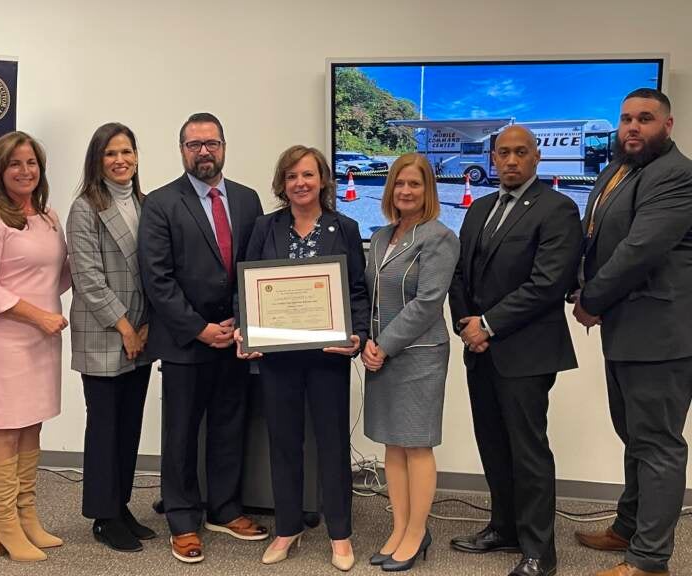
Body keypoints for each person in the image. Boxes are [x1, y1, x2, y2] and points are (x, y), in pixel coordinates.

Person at [448, 126, 582, 576]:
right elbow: (459, 275)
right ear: (492, 157)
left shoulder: (558, 208)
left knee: (528, 452)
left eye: (520, 152)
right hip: (479, 350)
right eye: (503, 152)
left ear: (537, 157)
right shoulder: (480, 208)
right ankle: (503, 527)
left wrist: (487, 325)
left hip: (526, 352)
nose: (510, 161)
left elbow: (548, 284)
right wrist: (467, 325)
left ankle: (539, 552)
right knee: (492, 444)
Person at [571, 88, 692, 576]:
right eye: (625, 119)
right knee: (635, 437)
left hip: (660, 334)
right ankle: (628, 527)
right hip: (626, 329)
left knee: (658, 444)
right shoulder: (619, 170)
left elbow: (639, 250)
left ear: (668, 125)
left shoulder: (677, 175)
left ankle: (648, 560)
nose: (632, 128)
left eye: (645, 118)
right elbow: (595, 237)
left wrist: (590, 299)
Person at [138, 112, 266, 564]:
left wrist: (238, 321)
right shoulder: (160, 202)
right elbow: (157, 279)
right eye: (194, 145)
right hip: (185, 343)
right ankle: (182, 518)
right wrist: (199, 328)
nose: (204, 151)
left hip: (234, 338)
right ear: (182, 151)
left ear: (225, 147)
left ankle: (225, 508)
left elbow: (255, 267)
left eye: (211, 143)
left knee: (230, 426)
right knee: (181, 434)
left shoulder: (249, 200)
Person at [236, 145, 369, 572]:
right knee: (284, 444)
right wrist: (246, 329)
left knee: (332, 445)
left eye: (308, 175)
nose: (300, 183)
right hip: (278, 357)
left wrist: (358, 334)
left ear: (323, 180)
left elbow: (357, 291)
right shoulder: (264, 227)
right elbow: (247, 285)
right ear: (282, 183)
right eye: (292, 176)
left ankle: (340, 534)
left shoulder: (344, 227)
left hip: (328, 355)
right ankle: (287, 528)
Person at [0, 131, 70, 562]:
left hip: (41, 340)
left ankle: (26, 516)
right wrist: (41, 315)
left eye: (31, 163)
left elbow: (57, 275)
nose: (25, 171)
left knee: (32, 425)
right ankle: (3, 525)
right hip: (2, 340)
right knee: (6, 430)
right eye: (15, 164)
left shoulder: (47, 216)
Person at [362, 153, 459, 572]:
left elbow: (428, 303)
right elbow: (372, 296)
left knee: (416, 445)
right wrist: (367, 342)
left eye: (414, 184)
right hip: (381, 353)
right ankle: (399, 528)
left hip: (419, 354)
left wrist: (383, 345)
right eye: (399, 183)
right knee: (392, 444)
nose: (406, 191)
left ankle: (417, 533)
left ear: (428, 190)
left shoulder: (439, 237)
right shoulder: (382, 236)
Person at [66, 122, 155, 552]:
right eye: (110, 153)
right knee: (104, 426)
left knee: (129, 424)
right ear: (97, 161)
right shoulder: (85, 208)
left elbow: (155, 271)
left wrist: (144, 327)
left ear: (137, 157)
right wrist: (123, 327)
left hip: (141, 333)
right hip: (105, 333)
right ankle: (103, 517)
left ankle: (120, 505)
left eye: (127, 151)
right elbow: (87, 278)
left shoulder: (145, 203)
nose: (120, 160)